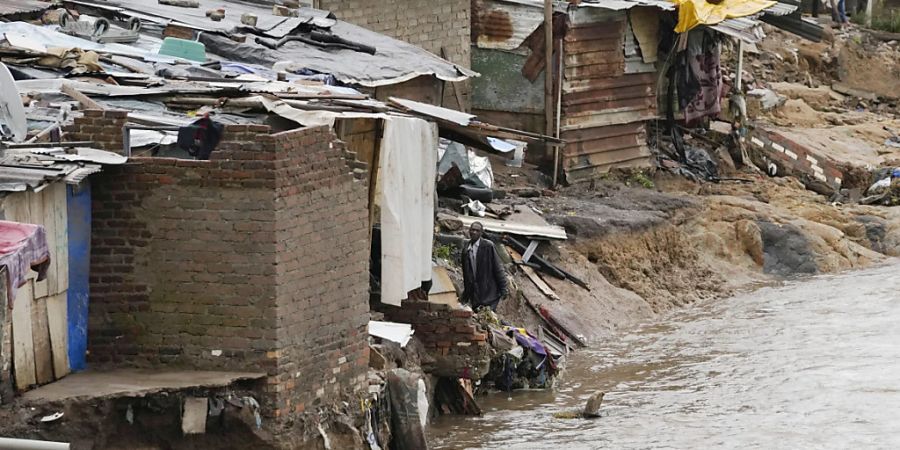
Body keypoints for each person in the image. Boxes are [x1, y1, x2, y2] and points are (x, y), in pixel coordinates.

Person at [461, 222, 508, 311]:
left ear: (481, 233)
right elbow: (466, 274)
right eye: (472, 230)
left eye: (477, 230)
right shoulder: (466, 249)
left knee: (487, 314)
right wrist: (466, 294)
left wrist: (503, 288)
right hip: (476, 292)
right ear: (469, 231)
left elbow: (497, 267)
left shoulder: (487, 246)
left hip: (489, 291)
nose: (474, 232)